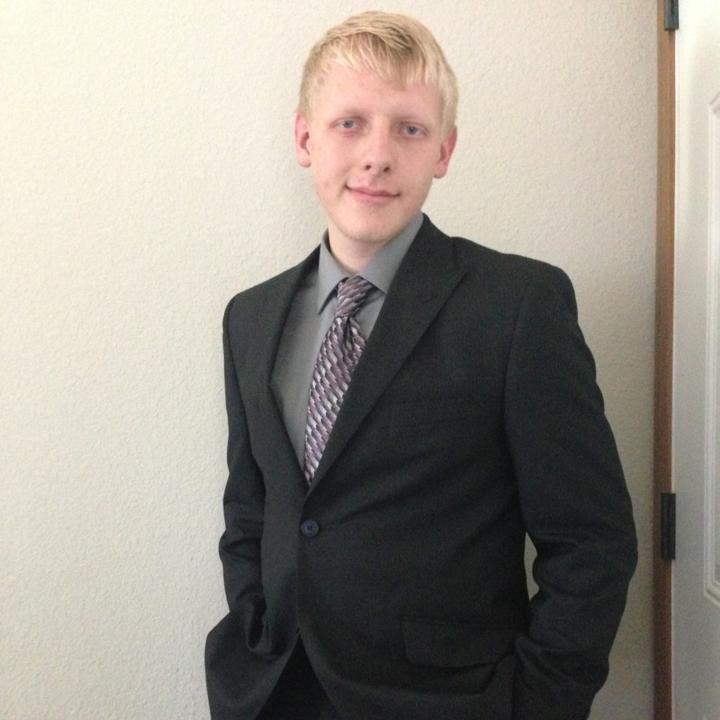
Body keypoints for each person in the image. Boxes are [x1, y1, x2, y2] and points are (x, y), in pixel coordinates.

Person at [205, 11, 637, 720]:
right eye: (350, 123)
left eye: (408, 128)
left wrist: (537, 703)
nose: (377, 155)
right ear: (305, 139)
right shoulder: (249, 317)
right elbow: (251, 510)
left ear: (445, 149)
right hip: (276, 691)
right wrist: (252, 629)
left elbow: (591, 541)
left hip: (452, 700)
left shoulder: (517, 306)